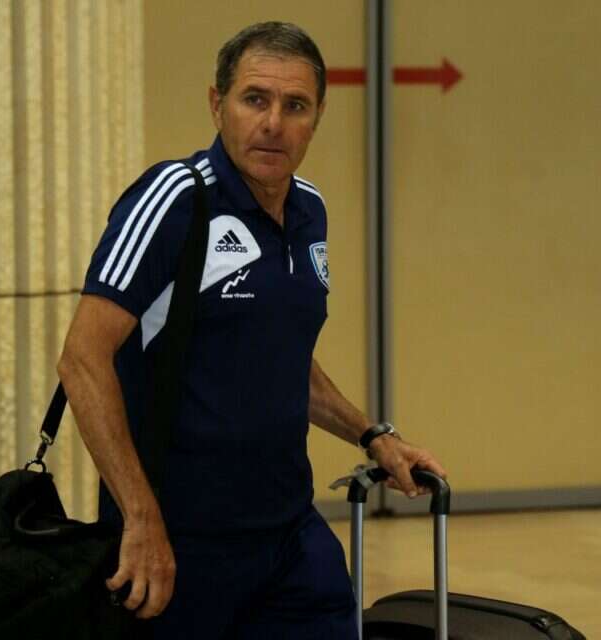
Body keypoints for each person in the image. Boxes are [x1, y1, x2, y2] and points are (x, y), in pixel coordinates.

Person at [58, 21, 446, 638]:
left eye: (295, 106)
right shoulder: (174, 201)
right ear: (218, 104)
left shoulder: (310, 209)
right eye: (255, 99)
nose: (273, 123)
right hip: (180, 541)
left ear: (317, 118)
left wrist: (373, 436)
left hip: (288, 532)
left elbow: (281, 354)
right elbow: (83, 358)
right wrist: (140, 518)